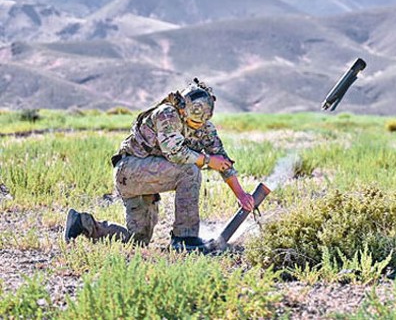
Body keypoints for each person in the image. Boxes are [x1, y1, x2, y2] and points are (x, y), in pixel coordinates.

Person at [64, 78, 255, 252]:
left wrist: (241, 194)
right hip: (130, 171)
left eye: (201, 122)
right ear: (183, 107)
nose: (197, 125)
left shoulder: (204, 127)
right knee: (190, 171)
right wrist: (207, 161)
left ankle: (83, 223)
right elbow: (176, 153)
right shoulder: (167, 115)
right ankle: (184, 238)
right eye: (193, 121)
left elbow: (221, 159)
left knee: (137, 240)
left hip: (148, 179)